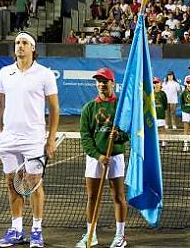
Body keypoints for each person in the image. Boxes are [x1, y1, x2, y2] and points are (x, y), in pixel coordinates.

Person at [0, 32, 60, 248]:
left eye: (24, 43)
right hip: (8, 140)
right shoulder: (5, 73)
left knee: (33, 185)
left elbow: (54, 108)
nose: (20, 46)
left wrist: (50, 140)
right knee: (12, 184)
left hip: (33, 140)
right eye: (17, 43)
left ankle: (37, 231)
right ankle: (16, 230)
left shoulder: (45, 74)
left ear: (33, 48)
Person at [77, 67, 130, 248]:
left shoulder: (120, 107)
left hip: (115, 157)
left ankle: (120, 236)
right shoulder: (89, 108)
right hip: (95, 159)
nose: (101, 84)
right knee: (92, 197)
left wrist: (119, 137)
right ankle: (91, 234)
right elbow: (85, 136)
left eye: (104, 81)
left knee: (118, 196)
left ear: (112, 83)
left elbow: (127, 133)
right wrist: (98, 156)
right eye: (98, 81)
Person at [153, 77, 169, 149]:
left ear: (160, 84)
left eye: (157, 83)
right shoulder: (150, 93)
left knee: (162, 129)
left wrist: (165, 118)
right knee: (153, 130)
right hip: (153, 116)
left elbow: (165, 106)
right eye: (155, 83)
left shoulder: (163, 94)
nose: (156, 84)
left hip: (161, 115)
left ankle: (163, 142)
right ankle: (154, 143)